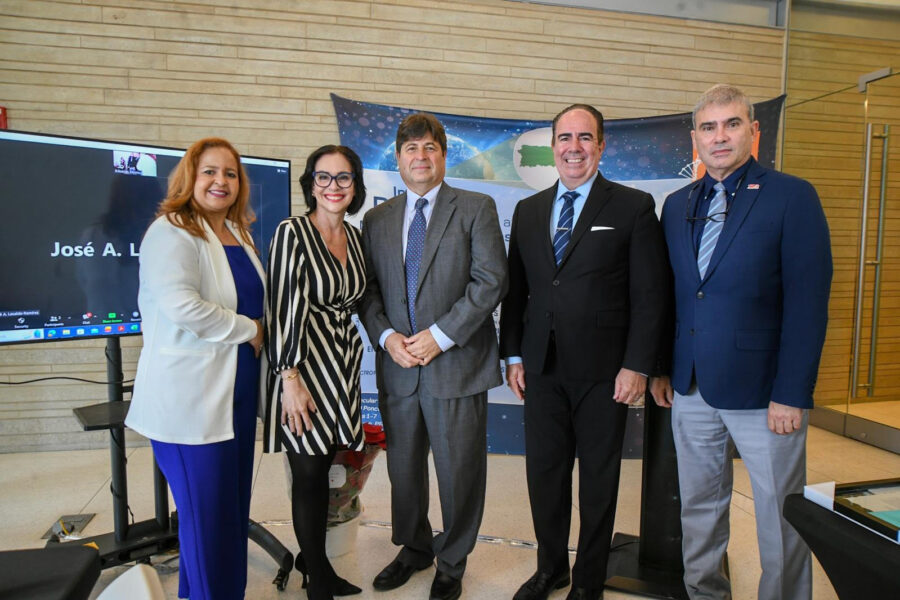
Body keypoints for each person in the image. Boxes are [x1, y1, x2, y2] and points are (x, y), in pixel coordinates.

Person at [650, 84, 832, 600]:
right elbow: (675, 295)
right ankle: (705, 593)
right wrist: (663, 366)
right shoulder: (679, 203)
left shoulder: (791, 196)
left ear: (753, 131)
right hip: (691, 386)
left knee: (780, 512)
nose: (720, 136)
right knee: (699, 507)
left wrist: (792, 391)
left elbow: (807, 301)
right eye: (709, 127)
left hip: (765, 392)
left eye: (731, 124)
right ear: (695, 139)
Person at [499, 104, 670, 600]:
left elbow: (649, 295)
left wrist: (638, 364)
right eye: (565, 138)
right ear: (553, 146)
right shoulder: (529, 211)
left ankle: (589, 581)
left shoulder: (632, 207)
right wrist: (513, 356)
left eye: (585, 138)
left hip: (605, 373)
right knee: (545, 478)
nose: (574, 147)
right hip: (541, 370)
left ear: (601, 145)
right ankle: (551, 567)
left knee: (598, 483)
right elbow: (517, 292)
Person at [359, 112, 508, 600]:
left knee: (459, 471)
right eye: (411, 149)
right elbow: (369, 293)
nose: (420, 157)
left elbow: (491, 282)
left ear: (443, 155)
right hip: (398, 366)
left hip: (455, 365)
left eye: (430, 148)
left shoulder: (475, 207)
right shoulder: (377, 220)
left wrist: (440, 336)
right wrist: (386, 339)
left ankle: (453, 560)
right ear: (398, 158)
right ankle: (415, 548)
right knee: (404, 471)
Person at [125, 137, 265, 600]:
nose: (220, 181)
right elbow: (183, 306)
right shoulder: (171, 230)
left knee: (228, 517)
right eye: (209, 171)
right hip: (188, 405)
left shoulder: (239, 234)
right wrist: (250, 330)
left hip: (235, 399)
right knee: (206, 523)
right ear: (190, 177)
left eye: (230, 173)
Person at [261, 145, 368, 600]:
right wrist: (290, 380)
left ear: (355, 186)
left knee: (323, 466)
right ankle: (318, 579)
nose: (333, 187)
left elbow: (361, 301)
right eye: (323, 178)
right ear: (310, 184)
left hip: (342, 366)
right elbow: (282, 307)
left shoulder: (356, 237)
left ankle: (313, 559)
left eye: (343, 178)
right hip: (302, 370)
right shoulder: (292, 232)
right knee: (307, 473)